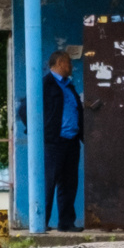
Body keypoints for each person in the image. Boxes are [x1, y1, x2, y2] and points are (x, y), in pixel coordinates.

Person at [41, 49, 84, 231]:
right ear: (59, 63)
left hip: (72, 141)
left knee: (69, 184)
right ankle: (41, 222)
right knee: (49, 183)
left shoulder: (68, 85)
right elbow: (25, 109)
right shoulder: (46, 84)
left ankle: (66, 223)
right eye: (68, 62)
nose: (71, 66)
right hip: (55, 142)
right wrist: (42, 132)